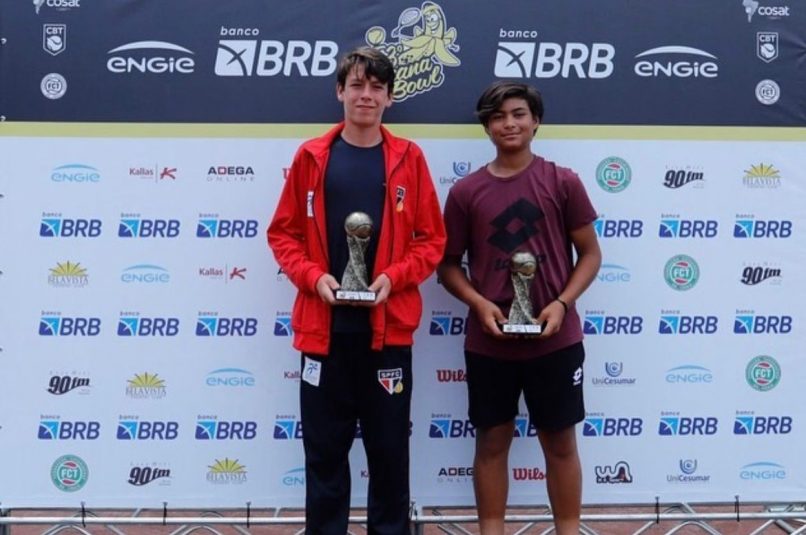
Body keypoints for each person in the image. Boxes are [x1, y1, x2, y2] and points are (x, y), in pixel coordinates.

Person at [267, 46, 446, 535]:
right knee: (324, 456)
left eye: (376, 87)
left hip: (388, 336)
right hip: (323, 335)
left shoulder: (409, 158)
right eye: (357, 85)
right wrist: (314, 278)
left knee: (389, 455)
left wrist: (395, 277)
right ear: (339, 92)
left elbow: (432, 240)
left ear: (389, 98)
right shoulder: (311, 156)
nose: (366, 95)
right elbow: (282, 234)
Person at [438, 81, 601, 535]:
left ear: (536, 121)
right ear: (486, 126)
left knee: (561, 443)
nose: (508, 124)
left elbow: (590, 254)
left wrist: (562, 303)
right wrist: (478, 303)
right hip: (489, 344)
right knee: (491, 442)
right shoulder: (466, 192)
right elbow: (447, 266)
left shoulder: (563, 182)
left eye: (518, 114)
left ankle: (569, 530)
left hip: (556, 340)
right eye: (497, 116)